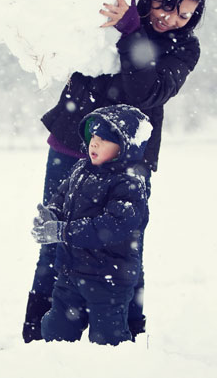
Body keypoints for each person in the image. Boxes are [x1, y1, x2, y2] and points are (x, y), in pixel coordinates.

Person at [23, 0, 209, 343]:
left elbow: (148, 91)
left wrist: (131, 31)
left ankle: (126, 341)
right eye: (164, 5)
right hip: (74, 142)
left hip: (130, 159)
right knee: (54, 239)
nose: (171, 19)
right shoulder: (110, 9)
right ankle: (38, 343)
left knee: (124, 247)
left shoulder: (183, 49)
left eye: (185, 14)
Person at [32, 104, 152, 345]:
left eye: (104, 139)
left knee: (108, 341)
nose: (94, 144)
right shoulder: (81, 169)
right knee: (57, 332)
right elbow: (61, 197)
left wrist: (63, 231)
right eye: (93, 137)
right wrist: (52, 215)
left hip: (109, 280)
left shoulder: (129, 184)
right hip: (71, 274)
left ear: (124, 146)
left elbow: (109, 227)